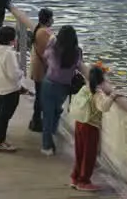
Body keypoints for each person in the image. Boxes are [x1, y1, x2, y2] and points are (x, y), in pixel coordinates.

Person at [70, 65, 115, 192]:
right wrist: (112, 97)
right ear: (102, 80)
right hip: (90, 126)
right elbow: (104, 107)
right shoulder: (97, 93)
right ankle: (84, 181)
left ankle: (75, 177)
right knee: (89, 155)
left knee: (79, 152)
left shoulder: (85, 88)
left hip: (79, 122)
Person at [40, 25, 84, 156]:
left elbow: (45, 55)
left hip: (49, 84)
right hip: (64, 87)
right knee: (57, 111)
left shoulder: (54, 49)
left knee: (48, 115)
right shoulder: (77, 52)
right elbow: (78, 64)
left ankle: (46, 146)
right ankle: (52, 134)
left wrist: (51, 40)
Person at [0, 25, 29, 152]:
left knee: (2, 112)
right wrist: (22, 72)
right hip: (9, 88)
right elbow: (13, 75)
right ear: (11, 40)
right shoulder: (9, 54)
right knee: (5, 115)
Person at [29, 8, 54, 133]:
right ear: (48, 19)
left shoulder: (38, 30)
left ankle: (35, 120)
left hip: (37, 68)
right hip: (42, 70)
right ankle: (37, 122)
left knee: (39, 96)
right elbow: (49, 53)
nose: (53, 20)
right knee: (41, 97)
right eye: (52, 18)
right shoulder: (44, 32)